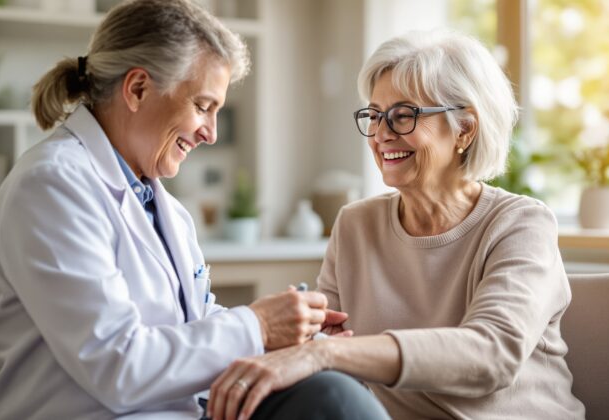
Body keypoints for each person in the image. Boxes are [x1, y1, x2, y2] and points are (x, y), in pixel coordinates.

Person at [0, 1, 388, 419]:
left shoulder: (165, 208)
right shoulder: (52, 185)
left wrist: (293, 337)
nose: (210, 133)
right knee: (331, 402)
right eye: (203, 107)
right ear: (137, 89)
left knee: (328, 390)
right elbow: (117, 366)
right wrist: (257, 325)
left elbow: (195, 321)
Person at [209, 29, 587, 420]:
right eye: (374, 115)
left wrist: (325, 352)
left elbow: (492, 355)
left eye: (403, 116)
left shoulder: (521, 223)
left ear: (465, 129)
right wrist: (306, 337)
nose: (381, 134)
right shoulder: (355, 223)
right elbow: (325, 348)